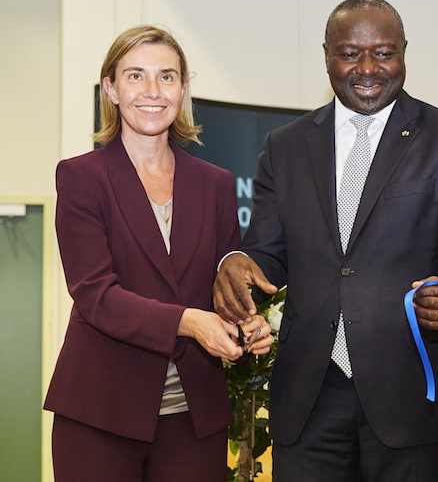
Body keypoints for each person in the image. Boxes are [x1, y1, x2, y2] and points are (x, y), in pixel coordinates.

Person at [212, 0, 438, 482]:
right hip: (309, 397)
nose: (368, 68)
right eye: (350, 53)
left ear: (405, 52)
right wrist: (236, 259)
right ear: (327, 54)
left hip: (413, 395)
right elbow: (267, 253)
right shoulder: (284, 146)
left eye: (384, 52)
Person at [44, 25, 273, 482]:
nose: (152, 91)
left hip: (195, 419)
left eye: (167, 77)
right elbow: (96, 296)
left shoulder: (216, 184)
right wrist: (190, 322)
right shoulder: (81, 178)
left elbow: (221, 291)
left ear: (183, 88)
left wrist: (246, 327)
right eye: (135, 76)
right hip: (100, 413)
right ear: (110, 88)